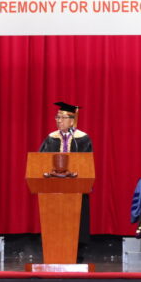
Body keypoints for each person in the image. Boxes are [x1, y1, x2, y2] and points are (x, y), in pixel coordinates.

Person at [37, 101, 93, 252]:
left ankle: (77, 254)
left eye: (62, 117)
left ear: (72, 119)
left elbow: (87, 165)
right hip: (53, 189)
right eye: (57, 117)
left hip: (76, 189)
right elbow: (40, 161)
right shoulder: (51, 138)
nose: (58, 120)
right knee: (54, 222)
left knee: (77, 223)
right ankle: (53, 251)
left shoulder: (83, 138)